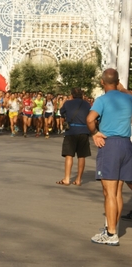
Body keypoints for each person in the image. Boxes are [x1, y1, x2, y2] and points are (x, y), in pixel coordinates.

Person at [87, 68, 132, 246]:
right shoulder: (128, 97)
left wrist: (95, 134)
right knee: (118, 191)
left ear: (102, 82)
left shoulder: (102, 100)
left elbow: (90, 119)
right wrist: (122, 89)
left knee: (110, 192)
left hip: (110, 145)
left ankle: (111, 233)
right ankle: (112, 228)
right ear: (118, 81)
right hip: (126, 145)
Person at [56, 87, 91, 187]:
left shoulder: (68, 103)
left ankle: (67, 178)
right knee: (81, 155)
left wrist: (65, 101)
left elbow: (62, 113)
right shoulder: (87, 104)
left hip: (71, 131)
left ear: (71, 95)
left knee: (69, 154)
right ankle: (78, 179)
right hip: (84, 131)